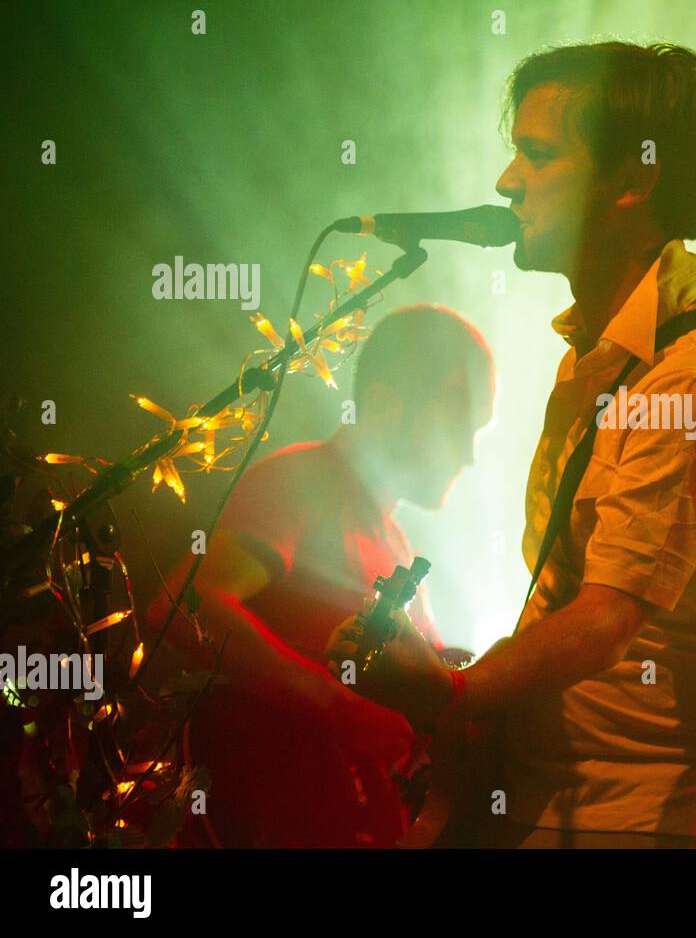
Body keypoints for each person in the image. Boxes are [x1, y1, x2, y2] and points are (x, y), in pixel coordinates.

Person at [329, 41, 696, 848]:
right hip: (576, 795)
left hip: (657, 809)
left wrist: (449, 694)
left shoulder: (693, 380)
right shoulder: (597, 358)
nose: (507, 181)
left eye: (538, 154)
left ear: (634, 180)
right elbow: (571, 594)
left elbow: (607, 619)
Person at [147, 303, 495, 847]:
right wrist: (337, 706)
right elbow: (182, 602)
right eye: (458, 423)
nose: (470, 455)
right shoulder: (305, 480)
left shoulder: (397, 542)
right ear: (383, 402)